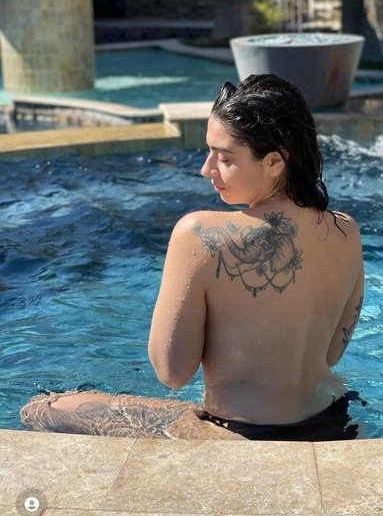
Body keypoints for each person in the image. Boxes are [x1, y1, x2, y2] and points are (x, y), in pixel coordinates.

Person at [20, 74, 364, 441]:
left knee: (44, 409)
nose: (206, 168)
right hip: (335, 420)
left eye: (224, 158)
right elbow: (331, 354)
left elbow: (171, 372)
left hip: (243, 435)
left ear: (275, 162)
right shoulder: (346, 230)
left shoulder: (199, 234)